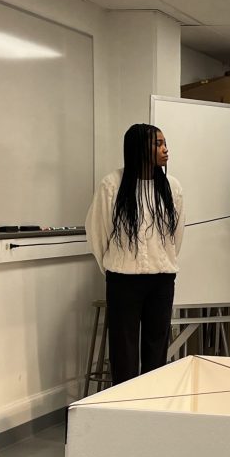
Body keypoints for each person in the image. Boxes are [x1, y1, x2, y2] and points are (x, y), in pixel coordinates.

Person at [86, 123, 184, 386]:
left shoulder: (171, 187)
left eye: (165, 143)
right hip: (123, 280)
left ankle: (151, 405)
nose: (165, 150)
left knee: (156, 347)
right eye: (158, 144)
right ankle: (124, 407)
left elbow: (176, 236)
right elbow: (98, 233)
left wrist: (162, 260)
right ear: (140, 148)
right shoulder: (112, 184)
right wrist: (116, 266)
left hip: (162, 280)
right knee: (123, 350)